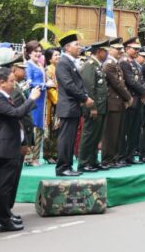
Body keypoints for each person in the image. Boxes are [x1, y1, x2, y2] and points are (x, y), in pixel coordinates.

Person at [0, 68, 40, 232]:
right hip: (4, 147)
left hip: (9, 146)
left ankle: (3, 216)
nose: (14, 84)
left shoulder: (2, 97)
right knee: (3, 185)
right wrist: (31, 99)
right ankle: (2, 220)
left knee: (4, 185)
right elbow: (16, 113)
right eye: (12, 81)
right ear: (2, 82)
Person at [55, 33, 93, 177]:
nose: (80, 47)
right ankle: (62, 167)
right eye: (76, 45)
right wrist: (85, 98)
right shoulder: (63, 62)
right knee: (66, 139)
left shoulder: (70, 62)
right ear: (67, 47)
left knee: (70, 139)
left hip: (73, 107)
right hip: (68, 106)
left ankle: (68, 166)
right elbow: (69, 85)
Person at [78, 39, 109, 172]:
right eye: (105, 51)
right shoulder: (89, 65)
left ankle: (93, 160)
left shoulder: (97, 65)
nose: (106, 53)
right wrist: (92, 107)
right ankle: (84, 163)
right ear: (99, 51)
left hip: (101, 106)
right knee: (89, 135)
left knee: (96, 135)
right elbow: (89, 88)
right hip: (94, 107)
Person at [119, 37, 145, 165]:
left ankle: (130, 156)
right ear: (126, 49)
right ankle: (123, 156)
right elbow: (130, 81)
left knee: (135, 130)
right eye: (134, 49)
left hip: (138, 100)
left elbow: (140, 80)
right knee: (126, 130)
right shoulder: (124, 62)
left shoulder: (134, 63)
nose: (137, 51)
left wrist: (144, 91)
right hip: (130, 99)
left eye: (138, 49)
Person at [102, 39, 131, 168]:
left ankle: (113, 159)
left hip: (118, 102)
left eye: (121, 49)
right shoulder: (109, 64)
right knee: (110, 134)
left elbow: (121, 83)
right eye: (117, 49)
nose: (120, 52)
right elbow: (117, 84)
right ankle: (107, 160)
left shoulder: (115, 63)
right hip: (112, 102)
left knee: (117, 133)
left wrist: (125, 99)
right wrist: (128, 97)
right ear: (110, 49)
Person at [24, 40, 46, 166]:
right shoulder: (28, 65)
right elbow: (29, 83)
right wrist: (44, 85)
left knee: (40, 127)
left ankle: (36, 156)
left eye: (39, 51)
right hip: (34, 99)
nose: (38, 54)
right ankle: (30, 158)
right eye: (35, 51)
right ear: (29, 53)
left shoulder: (39, 64)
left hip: (42, 100)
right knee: (33, 126)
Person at [43, 48, 60, 164]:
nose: (58, 57)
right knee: (52, 129)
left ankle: (56, 153)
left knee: (58, 129)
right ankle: (49, 155)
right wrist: (59, 101)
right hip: (53, 104)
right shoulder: (48, 70)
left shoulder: (59, 68)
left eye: (59, 55)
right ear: (49, 58)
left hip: (60, 101)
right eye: (56, 55)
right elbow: (51, 89)